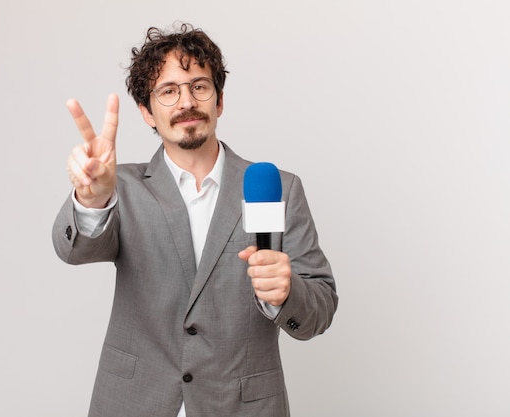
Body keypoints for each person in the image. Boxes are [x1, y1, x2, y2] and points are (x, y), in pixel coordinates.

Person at [52, 22, 337, 417]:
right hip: (135, 403)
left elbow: (319, 310)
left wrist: (285, 294)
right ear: (147, 113)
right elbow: (74, 250)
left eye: (199, 87)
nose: (186, 102)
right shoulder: (123, 188)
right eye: (168, 91)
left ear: (219, 102)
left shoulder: (279, 189)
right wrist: (92, 197)